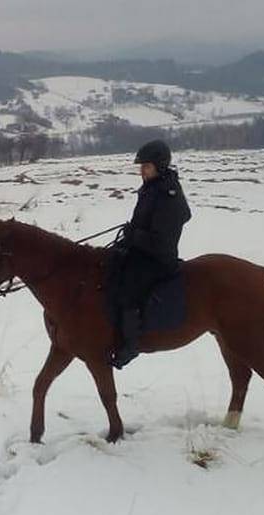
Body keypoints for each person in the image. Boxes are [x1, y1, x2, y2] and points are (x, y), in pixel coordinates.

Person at [110, 140, 191, 369]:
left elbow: (161, 240)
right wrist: (128, 236)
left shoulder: (168, 195)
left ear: (160, 166)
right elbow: (142, 224)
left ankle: (131, 344)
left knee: (128, 289)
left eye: (146, 166)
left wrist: (134, 236)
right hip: (142, 250)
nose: (141, 171)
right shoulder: (152, 188)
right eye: (141, 166)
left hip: (158, 259)